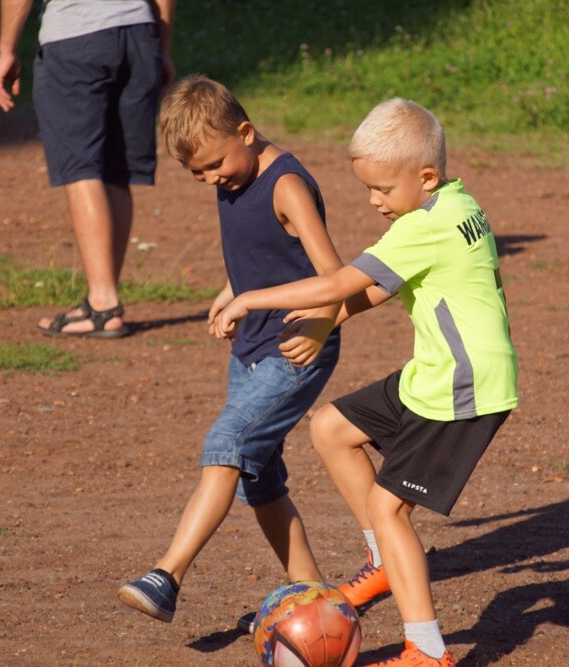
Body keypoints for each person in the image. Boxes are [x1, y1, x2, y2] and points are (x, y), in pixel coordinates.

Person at [214, 98, 519, 666]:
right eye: (368, 191)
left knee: (388, 508)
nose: (375, 202)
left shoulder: (422, 228)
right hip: (434, 373)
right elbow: (372, 292)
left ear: (425, 176)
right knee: (331, 428)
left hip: (463, 386)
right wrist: (329, 319)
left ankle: (427, 652)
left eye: (382, 190)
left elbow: (338, 283)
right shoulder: (455, 202)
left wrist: (252, 297)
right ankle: (385, 565)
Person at [117, 74, 345, 625]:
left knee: (227, 442)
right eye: (195, 172)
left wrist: (318, 329)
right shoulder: (233, 177)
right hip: (251, 345)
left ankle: (166, 575)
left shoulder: (285, 184)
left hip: (295, 347)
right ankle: (310, 591)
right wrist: (231, 290)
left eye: (214, 165)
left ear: (245, 132)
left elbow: (336, 276)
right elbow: (259, 252)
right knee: (259, 475)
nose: (208, 179)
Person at [0, 0, 176, 338]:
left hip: (76, 37)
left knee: (81, 170)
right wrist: (162, 46)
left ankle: (104, 304)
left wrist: (7, 50)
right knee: (118, 173)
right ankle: (103, 299)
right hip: (139, 35)